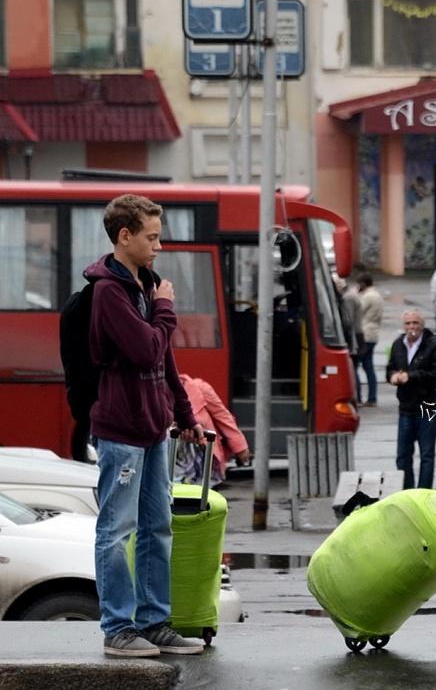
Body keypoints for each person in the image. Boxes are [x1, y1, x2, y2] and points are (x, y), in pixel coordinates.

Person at [85, 194, 205, 657]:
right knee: (117, 531)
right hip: (121, 430)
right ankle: (118, 629)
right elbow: (145, 351)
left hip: (154, 429)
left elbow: (166, 364)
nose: (159, 245)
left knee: (157, 526)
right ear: (125, 236)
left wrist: (185, 416)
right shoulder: (109, 292)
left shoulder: (144, 286)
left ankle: (155, 624)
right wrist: (166, 309)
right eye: (152, 237)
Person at [385, 308, 436, 489]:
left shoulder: (434, 344)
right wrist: (392, 377)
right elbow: (390, 368)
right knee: (403, 455)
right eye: (408, 323)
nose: (411, 327)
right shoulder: (398, 344)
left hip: (428, 406)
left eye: (415, 323)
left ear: (422, 325)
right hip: (406, 406)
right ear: (403, 326)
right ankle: (407, 492)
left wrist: (411, 376)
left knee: (426, 455)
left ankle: (423, 493)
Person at [177, 374, 252, 486]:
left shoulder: (198, 388)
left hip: (202, 458)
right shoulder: (156, 392)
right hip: (171, 457)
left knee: (203, 497)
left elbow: (223, 417)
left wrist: (241, 448)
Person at [356, 272, 384, 407]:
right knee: (369, 367)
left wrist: (357, 295)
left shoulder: (368, 296)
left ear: (362, 284)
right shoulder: (377, 295)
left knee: (354, 366)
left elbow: (358, 310)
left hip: (365, 334)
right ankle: (372, 397)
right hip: (373, 334)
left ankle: (358, 397)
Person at [334, 275, 364, 377]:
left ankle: (357, 393)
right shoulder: (349, 295)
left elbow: (347, 321)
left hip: (354, 338)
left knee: (352, 373)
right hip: (356, 336)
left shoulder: (348, 298)